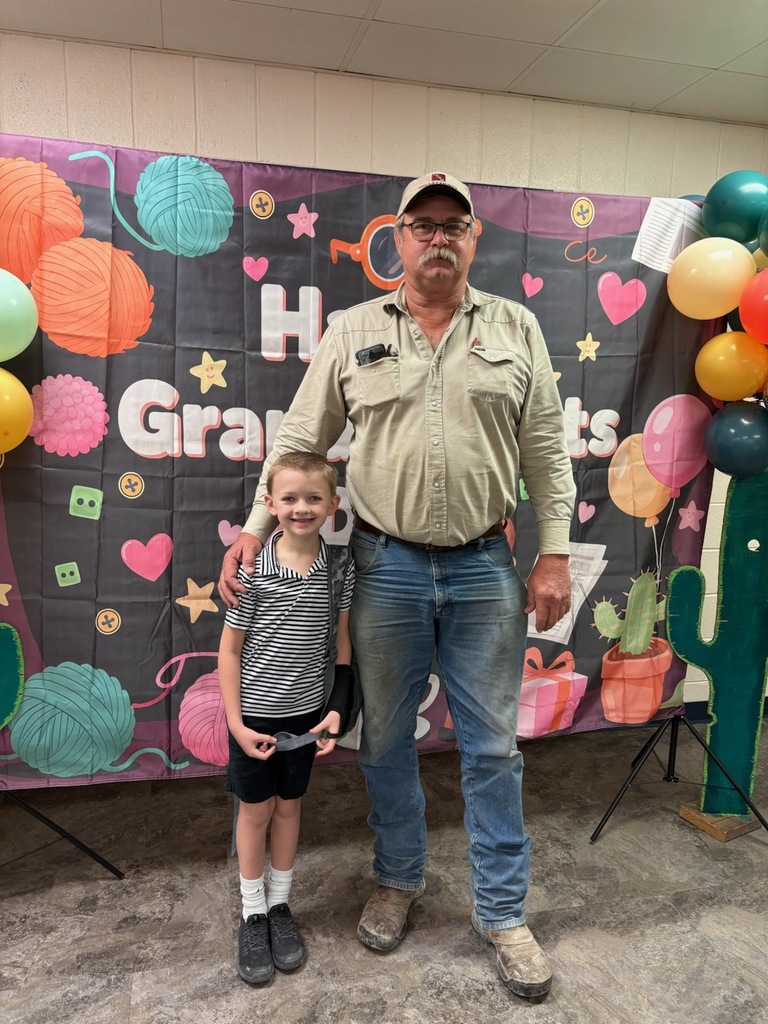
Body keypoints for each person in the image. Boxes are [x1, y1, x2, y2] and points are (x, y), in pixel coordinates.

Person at [219, 171, 575, 1000]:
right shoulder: (354, 330)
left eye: (455, 225)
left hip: (488, 568)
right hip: (385, 569)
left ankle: (502, 913)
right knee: (383, 742)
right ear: (401, 238)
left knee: (493, 749)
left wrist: (552, 552)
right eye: (424, 224)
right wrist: (252, 530)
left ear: (474, 239)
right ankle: (399, 878)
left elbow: (548, 452)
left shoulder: (517, 326)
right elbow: (302, 438)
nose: (439, 238)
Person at [218, 450, 356, 985]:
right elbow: (230, 652)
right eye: (290, 498)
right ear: (269, 503)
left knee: (290, 809)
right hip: (253, 717)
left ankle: (280, 907)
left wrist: (336, 710)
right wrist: (235, 724)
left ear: (333, 504)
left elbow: (341, 647)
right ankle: (252, 913)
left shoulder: (339, 567)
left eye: (314, 498)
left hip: (307, 719)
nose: (302, 508)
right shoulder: (253, 571)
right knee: (255, 813)